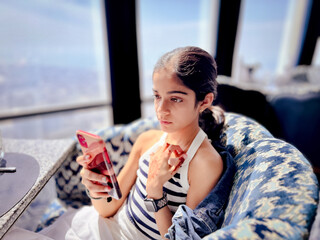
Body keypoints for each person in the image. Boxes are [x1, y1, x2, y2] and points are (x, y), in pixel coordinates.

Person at [3, 46, 226, 240]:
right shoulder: (148, 139)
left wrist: (155, 191)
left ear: (204, 101)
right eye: (157, 96)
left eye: (175, 98)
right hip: (98, 226)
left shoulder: (205, 163)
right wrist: (95, 187)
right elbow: (107, 208)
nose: (161, 109)